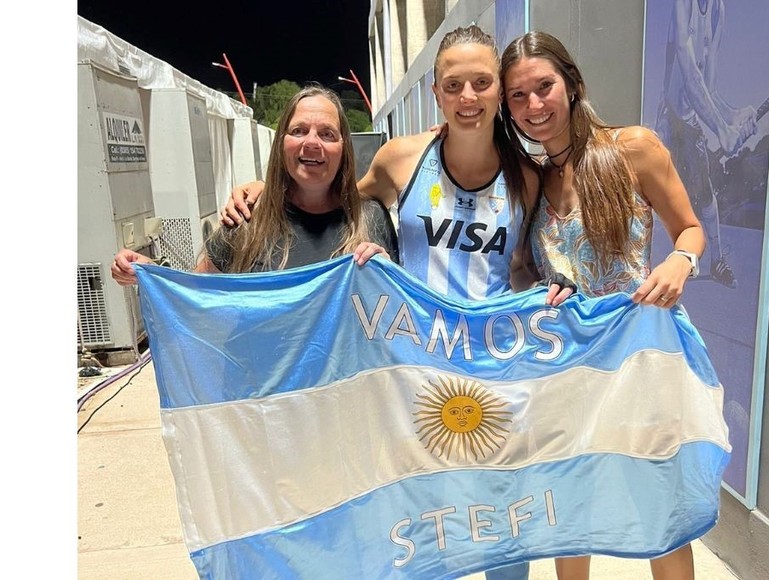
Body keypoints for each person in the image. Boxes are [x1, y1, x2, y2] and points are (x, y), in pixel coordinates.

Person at [218, 25, 541, 580]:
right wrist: (259, 187)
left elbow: (528, 264)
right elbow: (331, 195)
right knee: (416, 526)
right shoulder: (400, 160)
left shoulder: (527, 178)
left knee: (500, 526)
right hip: (410, 369)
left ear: (498, 91)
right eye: (454, 83)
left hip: (493, 367)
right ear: (437, 92)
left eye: (482, 83)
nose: (468, 96)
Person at [499, 31, 706, 579]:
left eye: (543, 87)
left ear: (572, 84)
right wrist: (533, 291)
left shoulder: (632, 148)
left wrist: (679, 263)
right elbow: (522, 266)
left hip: (638, 357)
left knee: (660, 506)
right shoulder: (530, 179)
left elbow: (688, 229)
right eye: (517, 96)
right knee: (573, 509)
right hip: (567, 366)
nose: (533, 106)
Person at [111, 84, 398, 284]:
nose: (312, 142)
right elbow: (196, 292)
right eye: (298, 131)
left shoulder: (370, 219)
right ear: (281, 144)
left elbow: (399, 319)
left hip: (350, 373)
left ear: (343, 147)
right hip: (262, 372)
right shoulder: (246, 219)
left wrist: (388, 279)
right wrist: (151, 275)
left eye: (327, 134)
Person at [653, 0, 757, 288]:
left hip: (690, 122)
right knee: (649, 196)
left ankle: (717, 259)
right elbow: (689, 76)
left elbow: (708, 89)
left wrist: (734, 115)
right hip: (668, 120)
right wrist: (723, 129)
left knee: (706, 196)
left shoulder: (717, 11)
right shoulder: (683, 4)